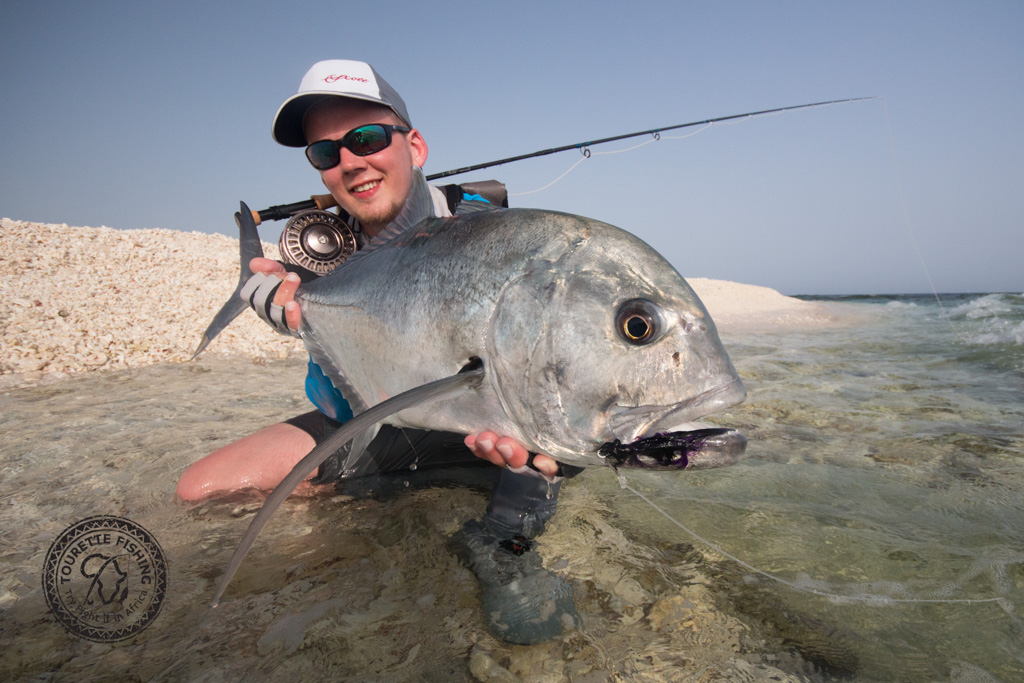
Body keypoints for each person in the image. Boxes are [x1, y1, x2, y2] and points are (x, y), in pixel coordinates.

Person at [177, 60, 576, 643]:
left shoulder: (487, 232)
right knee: (201, 489)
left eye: (366, 139)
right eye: (325, 152)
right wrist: (295, 315)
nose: (350, 162)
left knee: (521, 597)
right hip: (385, 414)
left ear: (414, 145)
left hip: (499, 426)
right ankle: (382, 505)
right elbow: (338, 393)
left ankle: (503, 546)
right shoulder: (324, 256)